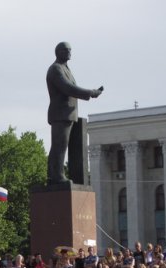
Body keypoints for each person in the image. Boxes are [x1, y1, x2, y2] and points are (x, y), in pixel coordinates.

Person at [46, 41, 103, 184]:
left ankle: (56, 175)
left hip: (68, 113)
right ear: (59, 52)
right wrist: (91, 93)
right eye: (66, 50)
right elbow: (68, 88)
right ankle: (56, 176)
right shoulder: (55, 69)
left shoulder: (66, 69)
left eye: (70, 50)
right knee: (59, 145)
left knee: (62, 145)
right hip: (60, 114)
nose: (70, 52)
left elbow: (72, 87)